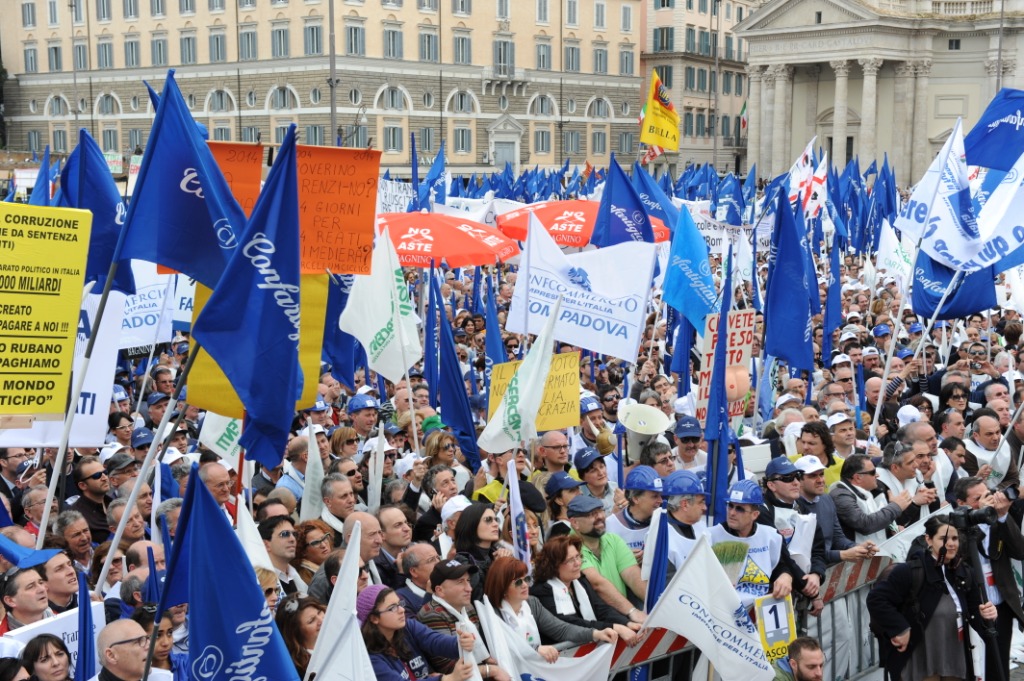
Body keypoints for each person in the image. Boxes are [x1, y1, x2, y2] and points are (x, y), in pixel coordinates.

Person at [867, 515, 998, 681]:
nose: (951, 543)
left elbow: (974, 612)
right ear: (928, 539)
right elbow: (876, 599)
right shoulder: (910, 571)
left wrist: (988, 617)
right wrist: (900, 628)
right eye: (943, 538)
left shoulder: (963, 571)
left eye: (954, 538)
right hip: (922, 655)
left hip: (955, 653)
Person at [953, 476, 1024, 681]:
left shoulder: (997, 518)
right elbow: (964, 552)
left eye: (987, 494)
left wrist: (1002, 517)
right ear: (961, 503)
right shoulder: (955, 524)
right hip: (974, 607)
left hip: (1000, 604)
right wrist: (980, 520)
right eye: (978, 498)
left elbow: (1019, 551)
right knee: (974, 664)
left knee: (999, 663)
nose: (987, 501)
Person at [483, 556, 616, 660]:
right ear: (502, 587)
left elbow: (561, 629)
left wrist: (595, 633)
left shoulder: (532, 603)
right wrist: (535, 649)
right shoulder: (491, 613)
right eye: (518, 582)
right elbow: (502, 648)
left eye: (527, 579)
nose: (525, 585)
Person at [531, 535, 640, 645]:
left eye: (578, 557)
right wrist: (614, 627)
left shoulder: (580, 580)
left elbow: (601, 608)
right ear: (554, 565)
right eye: (570, 560)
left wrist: (626, 623)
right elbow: (570, 623)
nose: (578, 563)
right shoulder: (542, 591)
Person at [358, 584, 475, 681]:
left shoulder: (408, 626)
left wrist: (460, 642)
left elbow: (435, 641)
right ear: (374, 618)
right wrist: (446, 679)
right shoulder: (369, 658)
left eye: (399, 604)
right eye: (392, 608)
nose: (402, 610)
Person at [416, 558, 508, 680]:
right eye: (460, 582)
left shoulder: (467, 607)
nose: (469, 588)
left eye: (468, 581)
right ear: (440, 590)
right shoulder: (432, 614)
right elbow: (449, 667)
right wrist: (490, 670)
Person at [567, 496, 647, 621]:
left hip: (623, 619)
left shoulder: (613, 540)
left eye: (600, 510)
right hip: (595, 626)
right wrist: (632, 611)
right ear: (575, 523)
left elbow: (633, 576)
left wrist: (658, 606)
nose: (599, 517)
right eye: (591, 514)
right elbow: (598, 584)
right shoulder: (569, 548)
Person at [453, 503, 505, 603]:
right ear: (472, 524)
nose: (495, 524)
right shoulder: (463, 562)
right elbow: (480, 600)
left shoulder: (497, 554)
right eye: (488, 520)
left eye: (496, 519)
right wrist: (499, 568)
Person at [129, 606, 188, 681]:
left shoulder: (187, 664)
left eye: (170, 633)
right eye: (157, 636)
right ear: (138, 639)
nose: (166, 643)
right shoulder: (129, 674)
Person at [274, 595, 326, 679]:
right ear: (295, 632)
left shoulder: (338, 640)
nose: (321, 620)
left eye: (319, 612)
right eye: (311, 621)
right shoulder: (297, 672)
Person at [292, 520, 334, 585]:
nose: (323, 545)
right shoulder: (305, 578)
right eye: (315, 543)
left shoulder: (335, 563)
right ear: (303, 551)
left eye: (325, 538)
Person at [544, 472, 583, 538]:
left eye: (578, 488)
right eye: (572, 490)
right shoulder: (559, 532)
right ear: (559, 500)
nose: (580, 493)